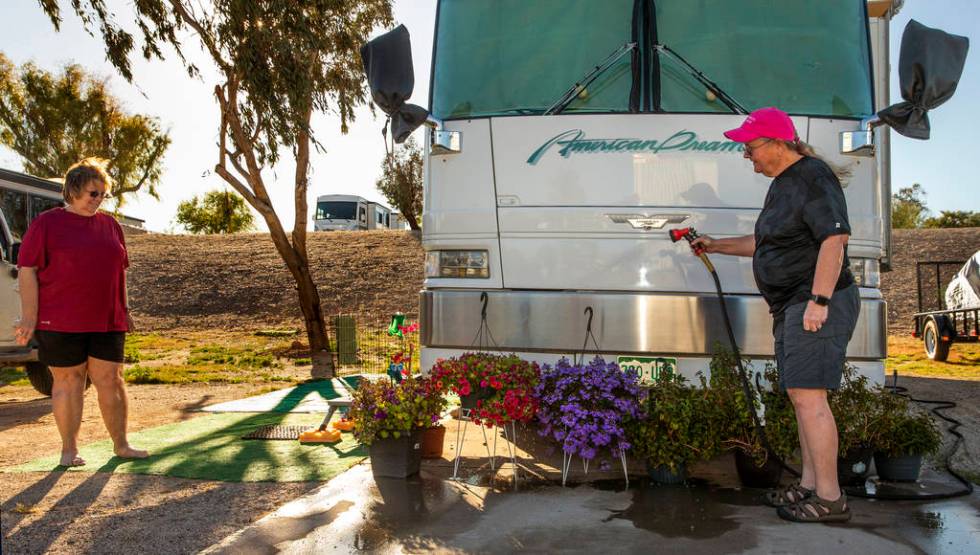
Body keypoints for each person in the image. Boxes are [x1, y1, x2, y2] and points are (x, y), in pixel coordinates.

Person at [690, 107, 859, 523]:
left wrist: (819, 302)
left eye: (749, 148)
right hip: (793, 303)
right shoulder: (784, 184)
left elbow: (834, 239)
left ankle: (831, 499)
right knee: (802, 397)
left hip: (814, 301)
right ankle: (809, 485)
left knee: (810, 398)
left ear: (777, 142)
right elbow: (765, 243)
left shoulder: (813, 176)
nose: (747, 156)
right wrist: (715, 245)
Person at [14, 158, 148, 466]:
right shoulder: (46, 224)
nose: (98, 200)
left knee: (111, 380)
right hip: (60, 321)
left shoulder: (111, 225)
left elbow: (120, 272)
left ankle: (122, 445)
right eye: (92, 193)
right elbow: (27, 270)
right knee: (69, 380)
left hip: (107, 319)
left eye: (102, 194)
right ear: (73, 190)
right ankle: (69, 450)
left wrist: (124, 309)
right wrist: (29, 317)